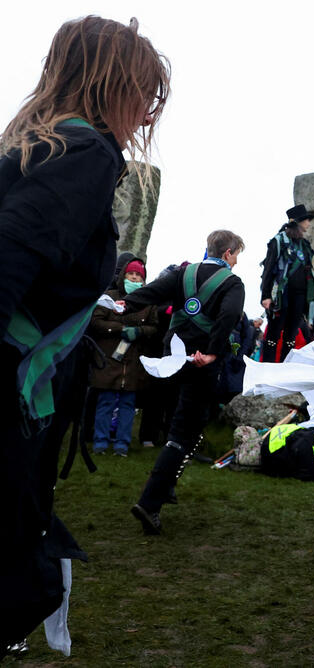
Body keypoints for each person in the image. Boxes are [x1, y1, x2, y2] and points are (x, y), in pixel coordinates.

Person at [0, 15, 169, 654]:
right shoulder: (86, 153)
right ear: (110, 85)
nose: (148, 115)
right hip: (10, 395)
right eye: (144, 94)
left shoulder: (27, 144)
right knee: (19, 580)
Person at [126, 230, 246, 535]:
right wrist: (213, 352)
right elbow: (229, 316)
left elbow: (151, 292)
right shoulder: (232, 283)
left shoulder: (184, 273)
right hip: (199, 364)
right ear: (229, 253)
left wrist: (124, 304)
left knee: (182, 424)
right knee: (184, 431)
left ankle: (167, 485)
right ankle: (150, 502)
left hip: (170, 359)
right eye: (237, 255)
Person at [88, 258, 158, 456]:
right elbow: (96, 321)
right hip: (109, 358)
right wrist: (120, 329)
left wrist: (139, 331)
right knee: (106, 402)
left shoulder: (148, 302)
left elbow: (154, 327)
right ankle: (100, 442)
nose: (134, 278)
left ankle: (122, 445)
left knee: (128, 405)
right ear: (123, 276)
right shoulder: (108, 298)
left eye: (138, 275)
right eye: (131, 274)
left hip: (133, 362)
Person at [260, 205, 314, 362]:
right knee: (273, 333)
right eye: (307, 220)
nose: (309, 223)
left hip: (299, 295)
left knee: (291, 334)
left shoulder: (304, 244)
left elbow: (308, 270)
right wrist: (265, 295)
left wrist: (310, 293)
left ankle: (285, 370)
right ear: (299, 221)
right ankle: (267, 369)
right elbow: (269, 268)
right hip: (281, 294)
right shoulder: (279, 241)